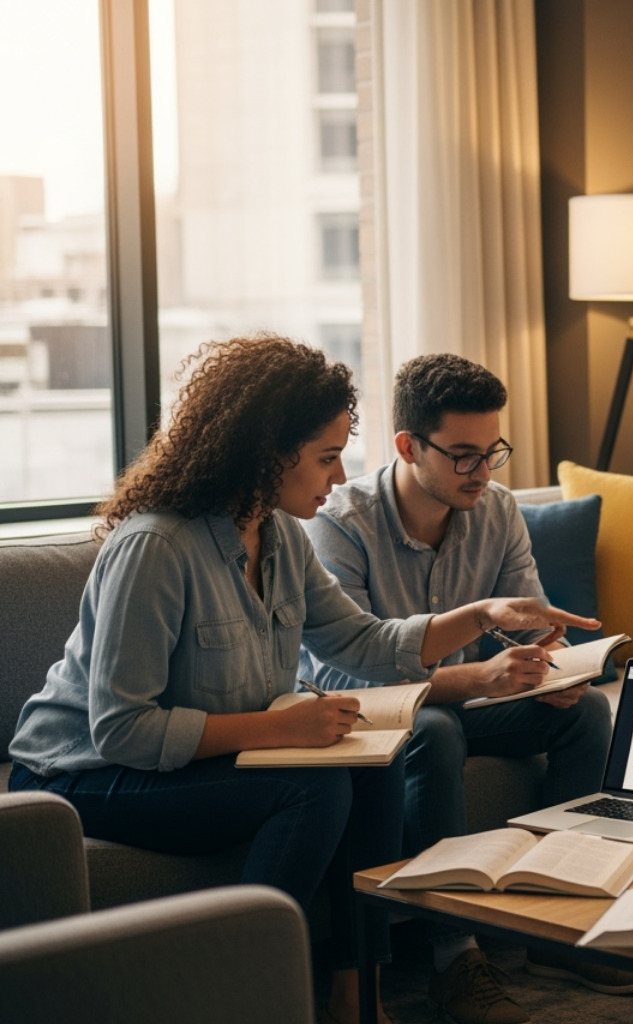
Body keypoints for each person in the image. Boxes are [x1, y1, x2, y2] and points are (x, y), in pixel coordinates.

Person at [5, 336, 597, 1024]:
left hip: (186, 760)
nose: (340, 474)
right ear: (264, 453)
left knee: (380, 761)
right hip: (82, 772)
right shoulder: (157, 548)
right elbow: (122, 728)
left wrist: (481, 614)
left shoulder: (278, 535)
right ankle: (245, 998)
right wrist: (279, 727)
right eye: (325, 457)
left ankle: (358, 998)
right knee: (312, 787)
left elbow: (361, 639)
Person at [299, 353, 633, 1023]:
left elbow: (532, 627)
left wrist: (554, 671)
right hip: (370, 718)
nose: (483, 473)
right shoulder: (341, 522)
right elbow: (340, 673)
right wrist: (475, 678)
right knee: (433, 728)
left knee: (586, 718)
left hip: (469, 703)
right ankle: (453, 956)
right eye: (463, 456)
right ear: (408, 446)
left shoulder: (498, 511)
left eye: (493, 453)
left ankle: (557, 923)